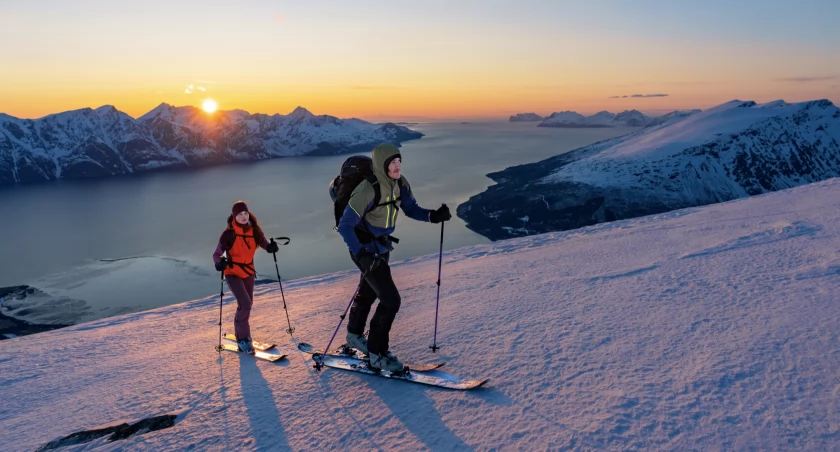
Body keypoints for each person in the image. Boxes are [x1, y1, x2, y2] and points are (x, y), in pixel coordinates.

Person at [337, 143, 451, 371]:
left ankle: (354, 336)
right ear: (382, 165)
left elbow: (411, 208)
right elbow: (345, 225)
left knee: (369, 291)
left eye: (399, 161)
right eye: (392, 163)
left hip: (381, 247)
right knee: (391, 300)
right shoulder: (368, 190)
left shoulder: (400, 183)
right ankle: (377, 354)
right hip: (363, 248)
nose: (398, 166)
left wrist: (433, 216)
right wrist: (361, 254)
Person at [213, 201, 280, 354]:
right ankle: (243, 339)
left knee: (247, 304)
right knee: (245, 304)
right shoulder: (228, 233)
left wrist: (270, 247)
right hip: (232, 272)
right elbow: (217, 254)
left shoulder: (254, 229)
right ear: (234, 216)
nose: (244, 216)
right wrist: (219, 263)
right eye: (240, 214)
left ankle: (242, 334)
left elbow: (263, 242)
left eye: (245, 213)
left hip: (248, 272)